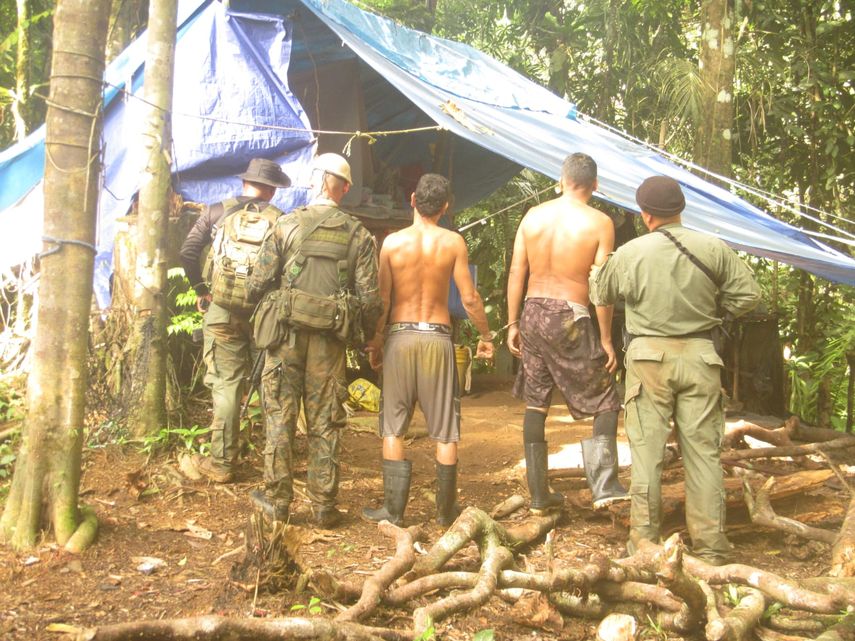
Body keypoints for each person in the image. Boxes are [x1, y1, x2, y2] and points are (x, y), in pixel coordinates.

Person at [589, 175, 761, 565]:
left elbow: (600, 293)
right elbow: (749, 296)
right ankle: (712, 549)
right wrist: (716, 314)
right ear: (681, 209)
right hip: (701, 357)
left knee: (647, 453)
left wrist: (599, 268)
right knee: (703, 453)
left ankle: (645, 546)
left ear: (645, 214)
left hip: (649, 358)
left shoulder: (632, 252)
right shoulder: (713, 247)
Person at [245, 153, 382, 528]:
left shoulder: (286, 225)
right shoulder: (358, 235)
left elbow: (257, 282)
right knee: (326, 421)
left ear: (313, 181)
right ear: (346, 188)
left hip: (285, 339)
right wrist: (369, 338)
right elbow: (370, 299)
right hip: (329, 344)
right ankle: (323, 506)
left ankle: (278, 501)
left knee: (280, 416)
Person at [362, 173, 494, 527]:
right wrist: (486, 335)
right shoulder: (453, 243)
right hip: (437, 337)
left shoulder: (391, 244)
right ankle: (445, 512)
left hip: (400, 336)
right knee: (446, 430)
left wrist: (376, 341)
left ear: (412, 199)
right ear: (446, 207)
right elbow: (469, 297)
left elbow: (384, 300)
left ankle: (393, 511)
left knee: (394, 426)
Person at [507, 153, 627, 513]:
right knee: (606, 398)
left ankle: (538, 496)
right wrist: (606, 338)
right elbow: (600, 285)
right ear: (595, 185)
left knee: (536, 401)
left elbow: (517, 271)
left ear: (560, 181)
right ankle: (605, 487)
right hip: (569, 314)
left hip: (532, 311)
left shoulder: (533, 216)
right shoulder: (600, 222)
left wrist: (512, 323)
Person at [179, 158, 291, 483]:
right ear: (271, 190)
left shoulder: (215, 212)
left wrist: (203, 290)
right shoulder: (281, 221)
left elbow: (187, 252)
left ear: (245, 183)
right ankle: (275, 466)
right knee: (272, 386)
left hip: (222, 310)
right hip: (264, 315)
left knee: (226, 385)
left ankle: (222, 463)